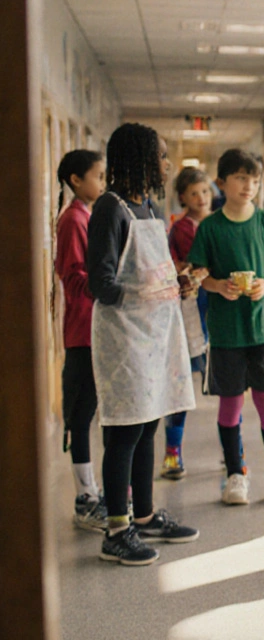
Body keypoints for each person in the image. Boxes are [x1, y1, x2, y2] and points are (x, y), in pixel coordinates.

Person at [87, 124, 199, 566]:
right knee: (125, 429)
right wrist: (146, 293)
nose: (167, 164)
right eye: (162, 155)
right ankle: (117, 529)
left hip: (155, 333)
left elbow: (153, 271)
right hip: (123, 336)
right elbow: (101, 284)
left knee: (150, 421)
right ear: (138, 158)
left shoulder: (148, 207)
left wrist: (177, 284)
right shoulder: (109, 209)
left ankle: (146, 514)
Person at [188, 149, 264, 506]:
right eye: (241, 178)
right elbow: (200, 275)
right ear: (221, 183)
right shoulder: (210, 227)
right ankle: (235, 475)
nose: (249, 186)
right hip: (226, 331)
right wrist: (218, 285)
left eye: (255, 179)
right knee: (231, 403)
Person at [54, 149, 108, 530]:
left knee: (90, 410)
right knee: (80, 414)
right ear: (76, 180)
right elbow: (73, 277)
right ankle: (84, 496)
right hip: (81, 332)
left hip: (97, 328)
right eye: (98, 176)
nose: (103, 183)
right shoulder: (73, 219)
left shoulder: (88, 215)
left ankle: (92, 490)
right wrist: (109, 283)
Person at [162, 166, 214, 480]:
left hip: (218, 307)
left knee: (225, 384)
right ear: (183, 197)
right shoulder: (180, 228)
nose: (201, 198)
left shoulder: (223, 223)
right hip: (190, 308)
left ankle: (232, 454)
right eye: (194, 193)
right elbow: (180, 264)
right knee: (180, 381)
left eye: (205, 191)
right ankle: (172, 451)